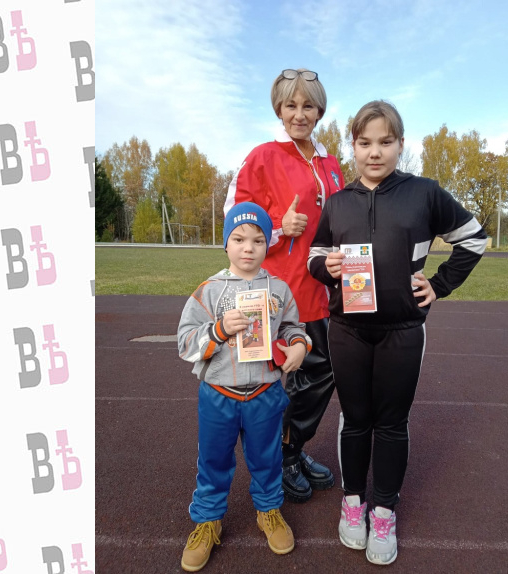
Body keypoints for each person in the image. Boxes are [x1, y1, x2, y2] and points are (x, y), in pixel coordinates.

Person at [308, 100, 487, 565]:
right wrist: (327, 267)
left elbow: (474, 238)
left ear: (401, 144)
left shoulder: (424, 193)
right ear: (352, 146)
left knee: (390, 423)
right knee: (354, 419)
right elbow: (315, 255)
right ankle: (353, 503)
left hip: (402, 330)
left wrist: (440, 284)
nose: (375, 152)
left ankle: (384, 511)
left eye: (385, 142)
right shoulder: (338, 202)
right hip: (347, 330)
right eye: (365, 142)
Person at [224, 68, 345, 503]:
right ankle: (276, 461)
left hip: (320, 291)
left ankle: (290, 450)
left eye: (308, 105)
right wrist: (278, 225)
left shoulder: (331, 163)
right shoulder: (262, 157)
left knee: (321, 373)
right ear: (279, 109)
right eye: (291, 105)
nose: (299, 114)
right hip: (273, 293)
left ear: (320, 111)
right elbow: (234, 220)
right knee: (273, 381)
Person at [176, 202, 310, 572]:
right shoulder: (209, 291)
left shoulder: (278, 289)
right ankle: (208, 519)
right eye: (238, 239)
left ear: (268, 244)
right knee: (213, 460)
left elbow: (293, 328)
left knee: (267, 459)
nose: (248, 248)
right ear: (226, 244)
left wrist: (299, 346)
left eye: (257, 240)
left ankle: (269, 510)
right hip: (218, 395)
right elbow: (185, 343)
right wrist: (218, 330)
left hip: (265, 394)